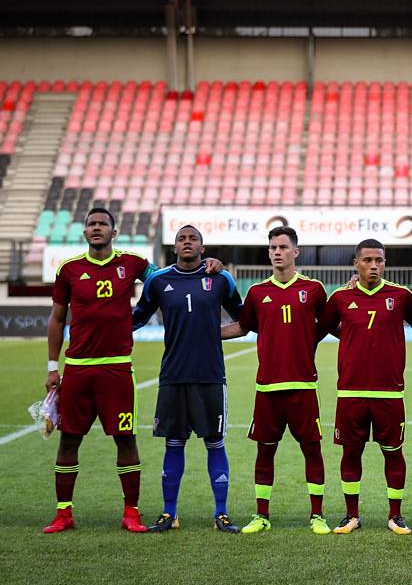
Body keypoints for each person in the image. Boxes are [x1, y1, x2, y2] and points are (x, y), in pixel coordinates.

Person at [42, 208, 157, 533]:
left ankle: (131, 512)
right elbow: (57, 318)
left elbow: (164, 278)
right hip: (77, 369)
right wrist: (53, 366)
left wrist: (205, 267)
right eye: (91, 224)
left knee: (125, 439)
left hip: (117, 369)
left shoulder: (132, 264)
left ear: (114, 231)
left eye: (102, 224)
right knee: (68, 441)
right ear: (84, 233)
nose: (96, 228)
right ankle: (64, 513)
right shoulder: (69, 269)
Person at [132, 225, 243, 534]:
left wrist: (212, 333)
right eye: (182, 238)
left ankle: (221, 513)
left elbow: (245, 320)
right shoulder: (158, 281)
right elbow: (136, 318)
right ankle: (169, 513)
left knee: (215, 443)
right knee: (174, 443)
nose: (187, 242)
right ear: (175, 247)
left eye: (193, 238)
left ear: (202, 247)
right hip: (173, 375)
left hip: (210, 375)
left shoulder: (221, 279)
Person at [221, 226, 329, 535]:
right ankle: (261, 515)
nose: (277, 251)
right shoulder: (257, 292)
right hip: (267, 388)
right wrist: (202, 335)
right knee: (264, 451)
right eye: (273, 247)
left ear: (296, 252)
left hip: (303, 387)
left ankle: (317, 516)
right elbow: (242, 327)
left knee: (312, 450)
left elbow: (330, 323)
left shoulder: (314, 290)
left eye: (283, 246)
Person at [318, 238, 412, 536]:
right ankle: (351, 515)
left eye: (379, 260)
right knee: (350, 454)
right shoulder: (340, 297)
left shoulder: (400, 296)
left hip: (389, 392)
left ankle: (396, 515)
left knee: (393, 453)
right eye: (367, 260)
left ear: (385, 263)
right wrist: (348, 336)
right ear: (355, 263)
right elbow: (320, 327)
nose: (373, 265)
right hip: (351, 392)